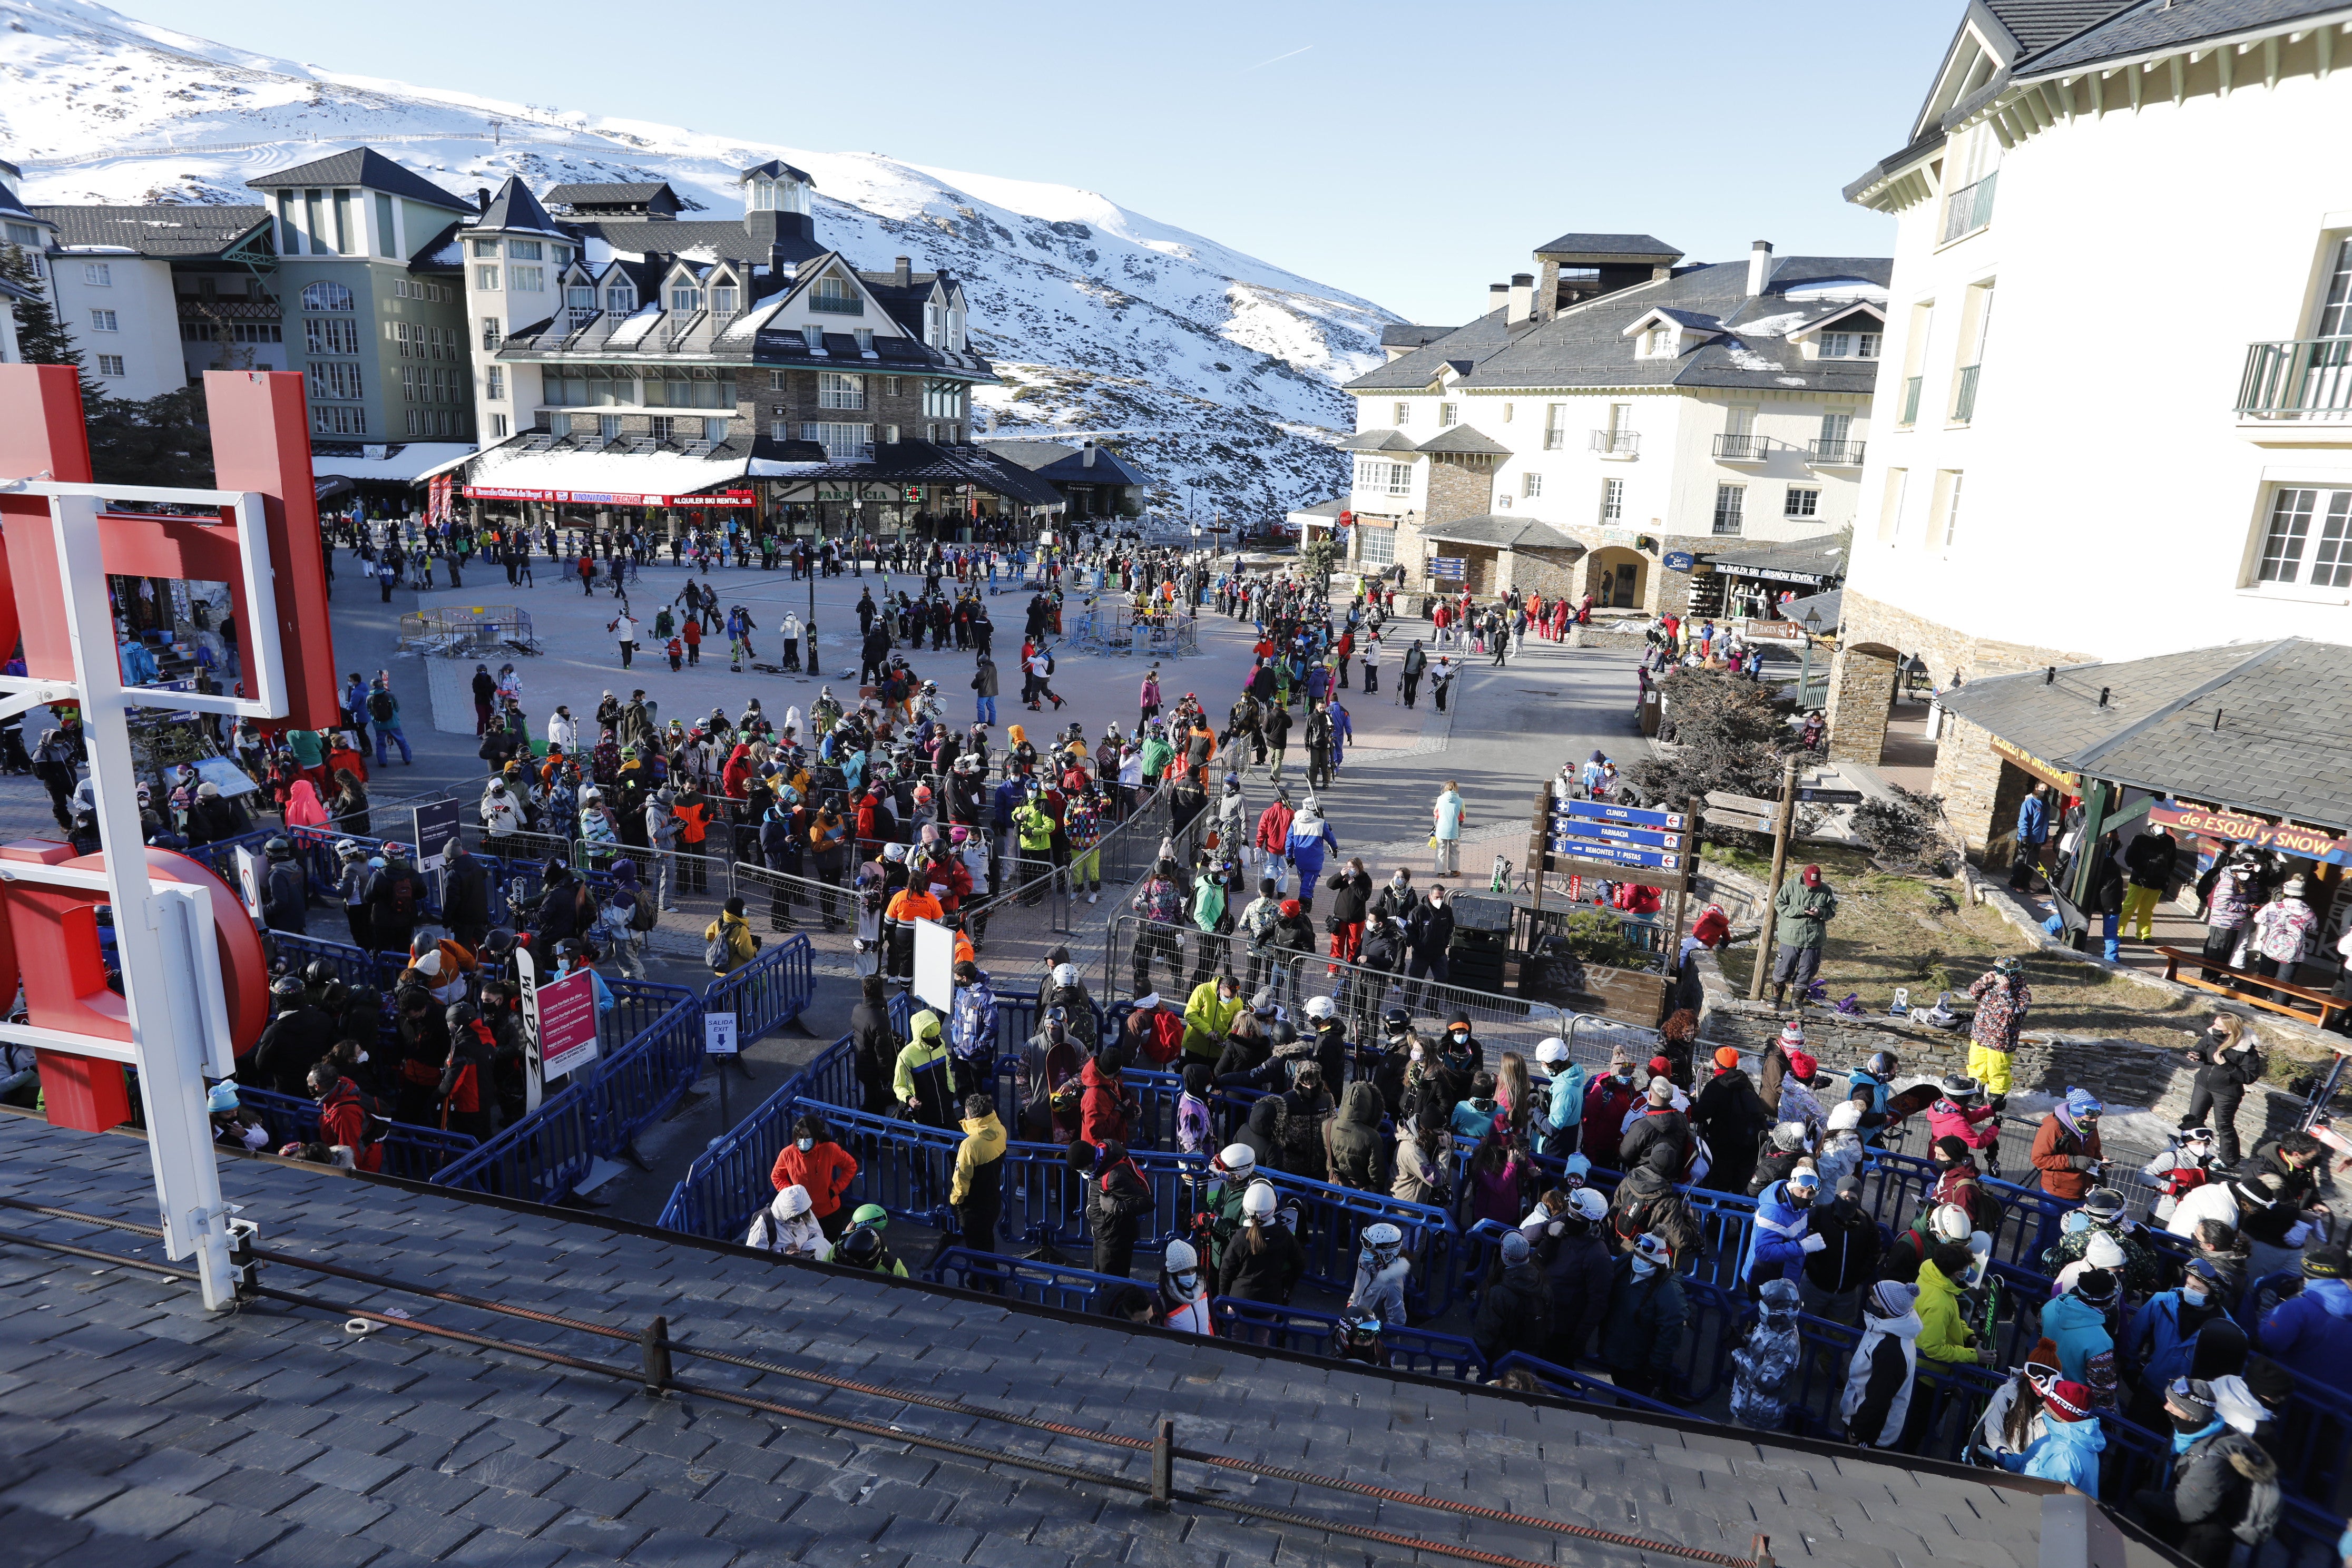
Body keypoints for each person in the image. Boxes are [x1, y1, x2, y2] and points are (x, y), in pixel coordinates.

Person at [2128, 1377, 2281, 1568]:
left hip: (2193, 1548)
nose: (2166, 1407)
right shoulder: (2187, 1432)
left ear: (2192, 1415)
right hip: (2170, 1530)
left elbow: (2186, 1507)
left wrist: (2142, 1497)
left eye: (2174, 1404)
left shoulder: (2213, 1459)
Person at [2255, 1243, 2352, 1395]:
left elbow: (2272, 1341)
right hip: (2339, 1406)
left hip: (2295, 1394)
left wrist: (2271, 1315)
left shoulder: (2298, 1308)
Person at [1601, 1232, 1687, 1400]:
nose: (1639, 1259)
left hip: (1639, 1364)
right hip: (1616, 1353)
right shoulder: (1625, 1264)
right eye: (1637, 1254)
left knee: (1630, 1404)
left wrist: (1653, 1369)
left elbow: (1669, 1336)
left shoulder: (1669, 1290)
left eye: (1645, 1258)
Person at [1841, 1280, 1924, 1450]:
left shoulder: (1891, 1351)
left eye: (1876, 1299)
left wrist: (1857, 1433)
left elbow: (1878, 1401)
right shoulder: (1889, 1328)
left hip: (1869, 1434)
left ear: (1887, 1309)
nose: (1870, 1299)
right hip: (1860, 1418)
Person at [2180, 1015, 2263, 1168]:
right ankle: (2189, 1148)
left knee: (2224, 1126)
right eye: (2215, 1023)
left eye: (2218, 1026)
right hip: (2203, 1083)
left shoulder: (2247, 1050)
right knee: (2193, 1119)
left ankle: (2228, 1160)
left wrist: (2225, 1065)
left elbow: (2249, 1077)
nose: (2213, 1027)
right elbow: (2200, 1048)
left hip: (2226, 1092)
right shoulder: (2211, 1036)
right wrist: (2197, 1055)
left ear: (2230, 1030)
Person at [1997, 1379, 2104, 1494]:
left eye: (2049, 1402)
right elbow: (2029, 1462)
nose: (2043, 1404)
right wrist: (2005, 1460)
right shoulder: (2064, 1438)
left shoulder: (2064, 1454)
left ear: (2063, 1412)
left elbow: (2041, 1496)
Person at [1693, 1046, 1770, 1197]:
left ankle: (1716, 1219)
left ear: (1717, 1063)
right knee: (1741, 1189)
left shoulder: (1716, 1086)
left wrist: (1693, 1102)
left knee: (1719, 1188)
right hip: (1749, 1145)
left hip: (1724, 1145)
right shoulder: (1745, 1082)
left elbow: (1699, 1115)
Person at [1728, 1278, 1802, 1433]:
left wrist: (1737, 1351)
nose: (1761, 1304)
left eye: (1767, 1303)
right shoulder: (1773, 1325)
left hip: (1756, 1419)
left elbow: (1764, 1383)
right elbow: (1761, 1341)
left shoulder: (1784, 1347)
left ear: (1779, 1311)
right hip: (1745, 1407)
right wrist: (1742, 1340)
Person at [769, 1113, 859, 1239]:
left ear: (816, 1136)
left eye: (808, 1137)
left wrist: (836, 1190)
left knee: (832, 1248)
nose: (803, 1141)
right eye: (800, 1137)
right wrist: (792, 1194)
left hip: (829, 1212)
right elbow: (777, 1176)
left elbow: (850, 1166)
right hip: (802, 1215)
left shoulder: (830, 1150)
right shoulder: (787, 1154)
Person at [1217, 1181, 1306, 1306]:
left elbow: (1226, 1271)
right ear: (1274, 1206)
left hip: (1238, 1302)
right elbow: (1300, 1264)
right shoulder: (1285, 1236)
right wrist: (1287, 1287)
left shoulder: (1239, 1238)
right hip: (1271, 1302)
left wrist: (1224, 1300)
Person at [1472, 1230, 1552, 1365]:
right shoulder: (1543, 1283)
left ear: (1504, 1256)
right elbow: (1550, 1323)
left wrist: (1470, 1357)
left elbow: (1486, 1332)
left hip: (1502, 1359)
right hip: (1531, 1357)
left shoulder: (1498, 1293)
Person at [1768, 864, 1836, 1008]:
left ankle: (1797, 1001)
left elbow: (1831, 912)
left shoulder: (1826, 890)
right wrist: (1800, 910)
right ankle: (1776, 998)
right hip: (1791, 936)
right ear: (1803, 877)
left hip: (1813, 939)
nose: (1812, 887)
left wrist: (1820, 912)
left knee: (1807, 971)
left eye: (1815, 884)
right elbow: (1779, 904)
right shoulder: (1791, 886)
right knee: (1783, 968)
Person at [1964, 957, 2030, 1106]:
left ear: (2011, 974)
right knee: (1976, 1067)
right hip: (1980, 1035)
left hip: (2001, 1040)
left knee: (1998, 1071)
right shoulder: (1991, 984)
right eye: (1995, 969)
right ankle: (1976, 1093)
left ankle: (1996, 1097)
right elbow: (1973, 995)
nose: (1996, 974)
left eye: (2000, 971)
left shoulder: (2022, 992)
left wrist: (2005, 991)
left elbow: (2014, 1012)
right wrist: (1983, 982)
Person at [1086, 1140, 1154, 1280]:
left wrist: (1115, 1208)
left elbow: (1147, 1203)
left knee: (1112, 1286)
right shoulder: (1099, 1164)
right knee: (1101, 1280)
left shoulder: (1114, 1176)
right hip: (1102, 1233)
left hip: (1114, 1240)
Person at [949, 1093, 1007, 1255]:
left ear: (970, 1114)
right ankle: (980, 1279)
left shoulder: (970, 1145)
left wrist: (955, 1202)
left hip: (973, 1208)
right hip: (992, 1200)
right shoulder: (1000, 1130)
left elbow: (962, 1179)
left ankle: (988, 1280)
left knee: (977, 1250)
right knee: (986, 1244)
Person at [2030, 1086, 2105, 1201]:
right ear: (2077, 1114)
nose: (2095, 1121)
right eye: (2090, 1118)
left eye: (2097, 1118)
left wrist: (2101, 1162)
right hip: (2055, 1194)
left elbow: (2095, 1152)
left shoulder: (2091, 1130)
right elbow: (2039, 1159)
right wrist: (2073, 1161)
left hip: (2083, 1194)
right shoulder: (2052, 1129)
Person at [2120, 822, 2176, 944]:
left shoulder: (2169, 841)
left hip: (2157, 881)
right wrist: (2142, 871)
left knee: (2147, 910)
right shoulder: (2140, 838)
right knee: (2129, 907)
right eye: (2162, 825)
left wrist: (2165, 873)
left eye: (2166, 827)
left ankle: (2144, 935)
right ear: (2154, 825)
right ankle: (2118, 932)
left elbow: (2172, 860)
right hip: (2140, 879)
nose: (2164, 828)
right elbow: (2129, 858)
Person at [744, 1184, 832, 1260]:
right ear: (787, 1214)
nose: (799, 1220)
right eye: (796, 1218)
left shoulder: (804, 1211)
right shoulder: (763, 1224)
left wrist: (807, 1253)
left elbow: (816, 1236)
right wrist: (783, 1254)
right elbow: (754, 1260)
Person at [1159, 1240, 1213, 1335]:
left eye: (1193, 1270)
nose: (1191, 1275)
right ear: (1174, 1273)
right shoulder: (1162, 1298)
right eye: (1184, 1272)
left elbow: (1212, 1317)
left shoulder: (1203, 1284)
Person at [704, 895, 759, 974]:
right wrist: (756, 948)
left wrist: (720, 945)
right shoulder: (741, 929)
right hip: (736, 973)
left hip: (720, 970)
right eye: (743, 908)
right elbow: (748, 954)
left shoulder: (719, 922)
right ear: (738, 911)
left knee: (721, 987)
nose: (745, 910)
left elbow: (708, 935)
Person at [1430, 781, 1466, 879]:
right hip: (1454, 828)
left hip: (1441, 828)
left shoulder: (1440, 799)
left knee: (1441, 850)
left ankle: (1441, 872)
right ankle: (1454, 870)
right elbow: (1462, 815)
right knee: (1454, 850)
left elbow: (1436, 812)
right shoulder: (1460, 801)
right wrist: (1460, 824)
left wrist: (1436, 824)